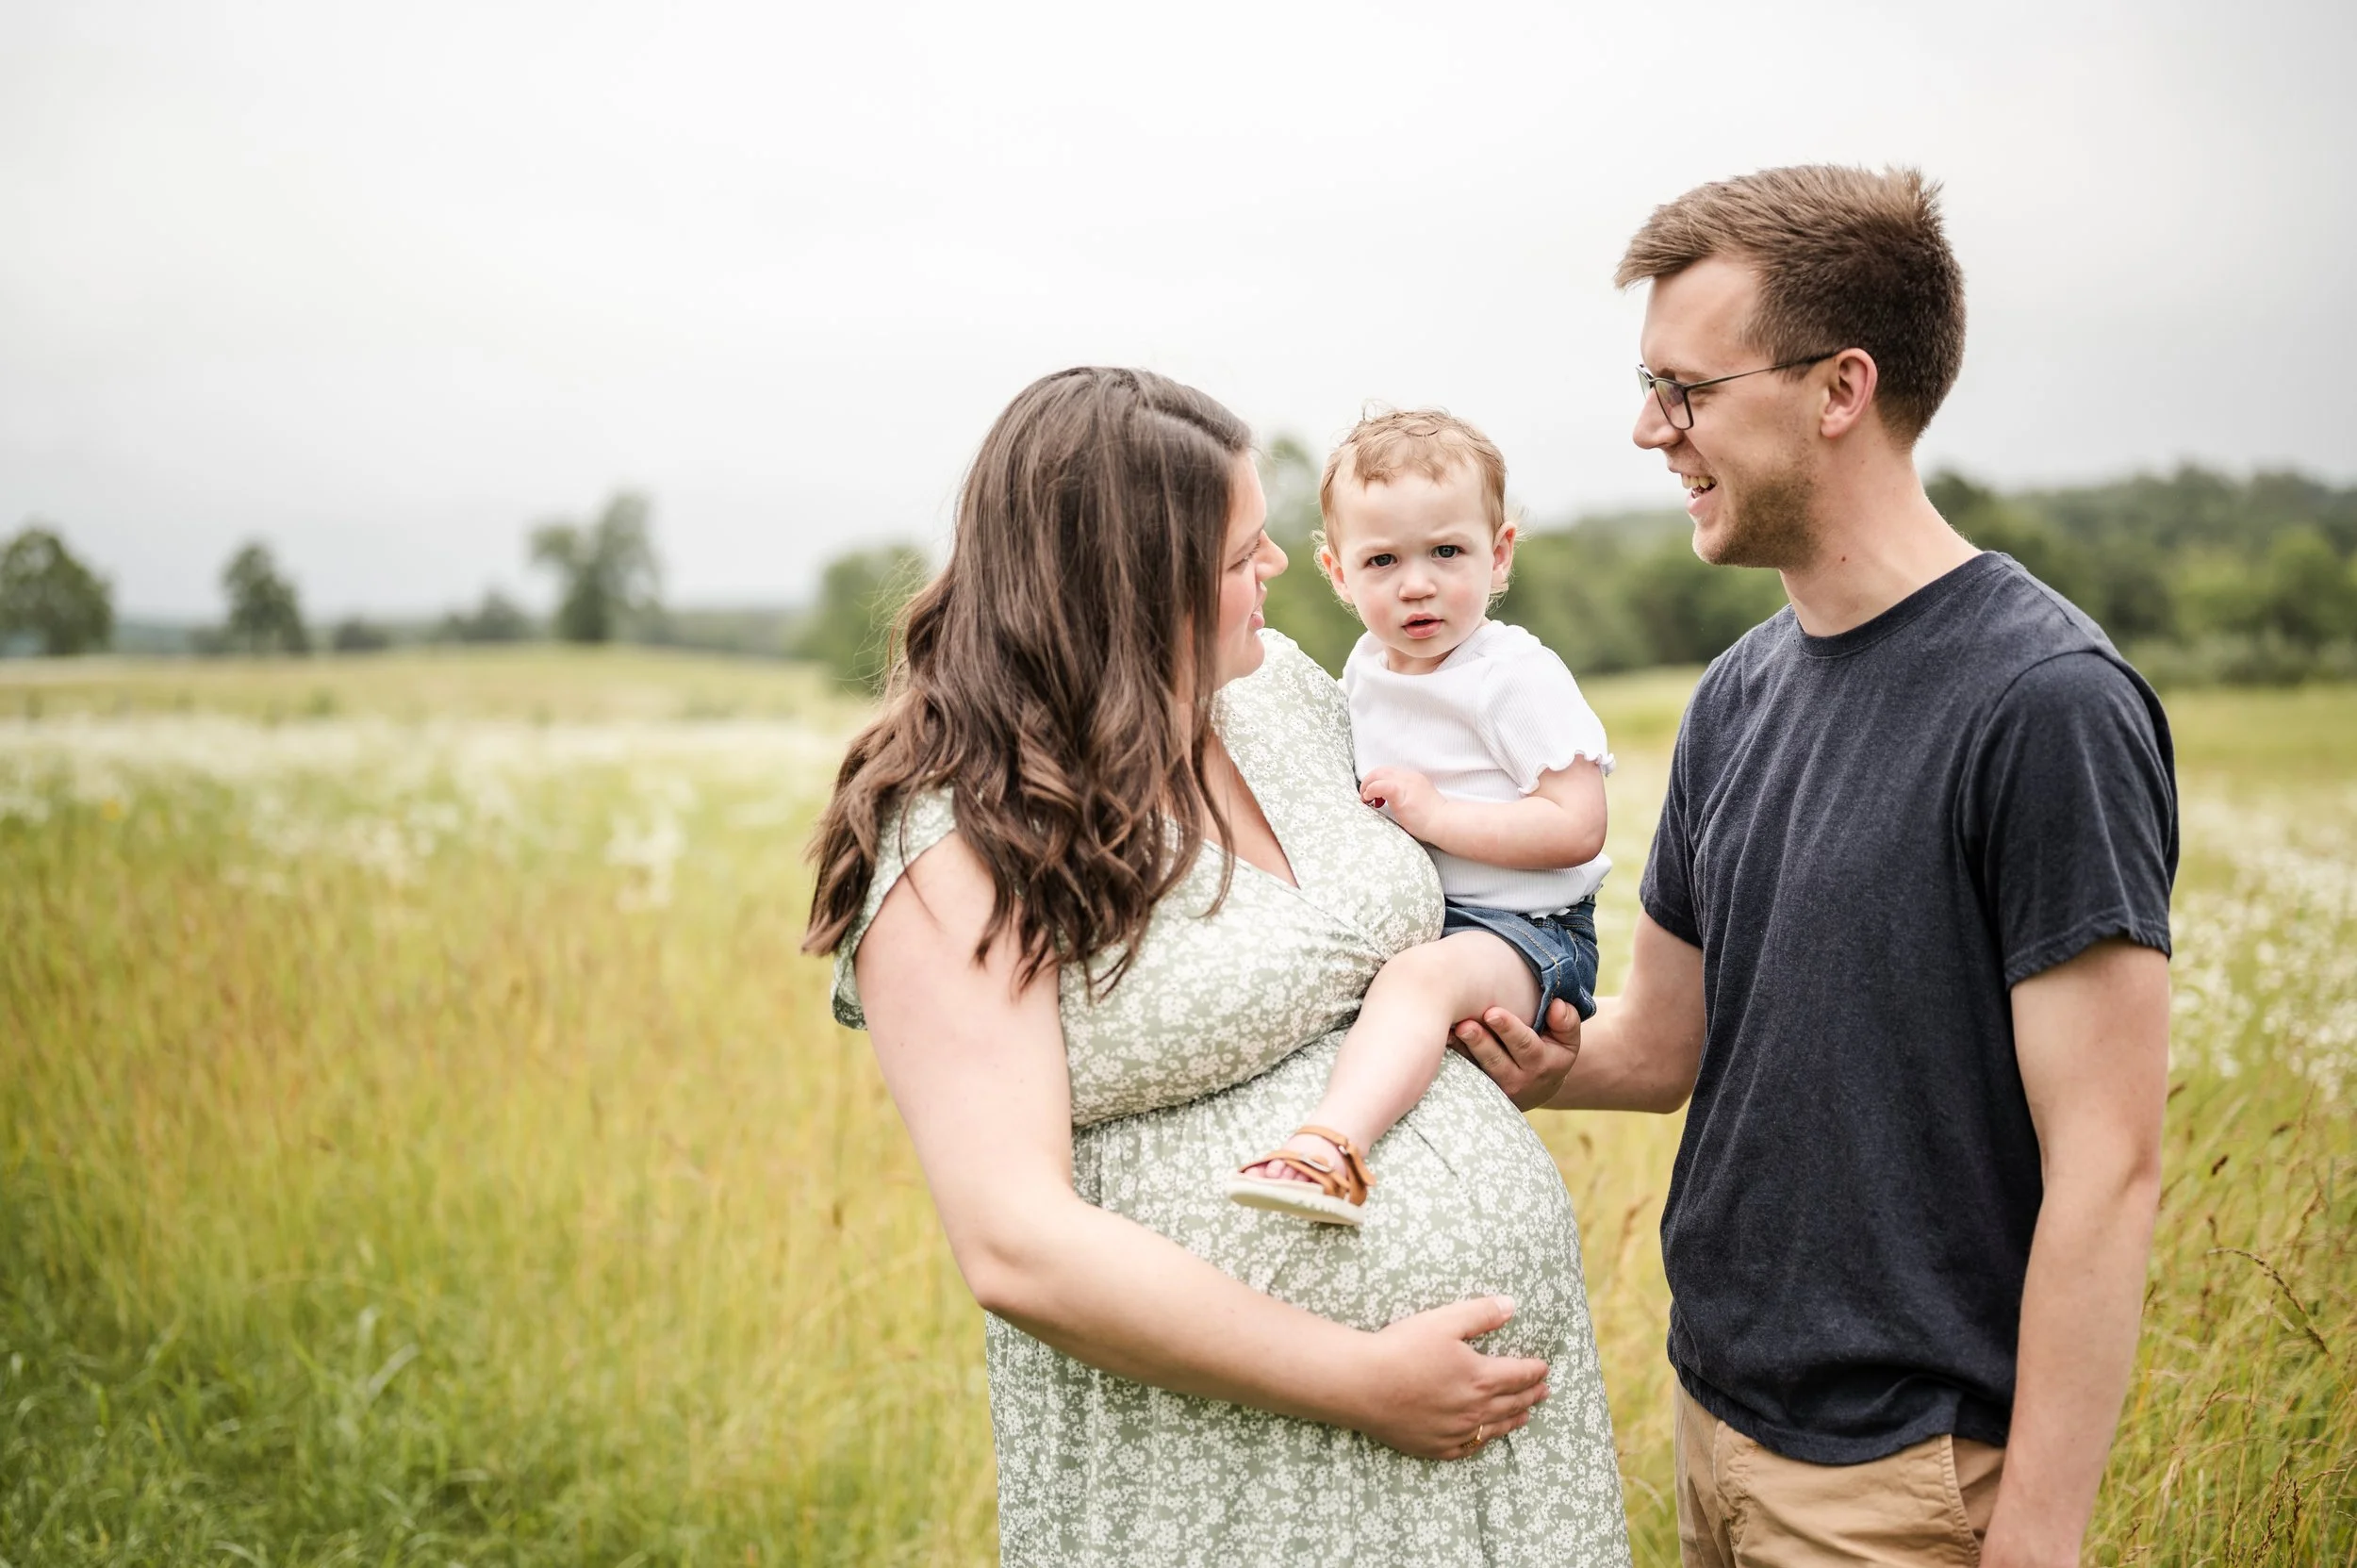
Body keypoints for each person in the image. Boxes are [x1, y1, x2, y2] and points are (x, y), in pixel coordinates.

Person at [1454, 166, 2176, 1567]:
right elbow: (1661, 1044)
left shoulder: (2048, 702)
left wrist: (2037, 1533)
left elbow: (2113, 1163)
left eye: (1687, 389)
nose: (1651, 429)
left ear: (1840, 387)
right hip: (1714, 1424)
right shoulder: (1736, 692)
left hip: (1905, 1482)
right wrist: (1471, 1026)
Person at [804, 367, 1631, 1566]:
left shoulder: (1282, 693)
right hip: (1237, 1486)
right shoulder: (957, 838)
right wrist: (1361, 1378)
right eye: (1246, 549)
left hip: (1502, 1480)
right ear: (1133, 577)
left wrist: (1510, 1037)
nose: (1284, 570)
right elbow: (1017, 1243)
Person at [1228, 409, 1610, 1226]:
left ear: (1498, 552)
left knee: (1415, 981)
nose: (1416, 584)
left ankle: (1330, 1150)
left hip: (1530, 929)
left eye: (1447, 551)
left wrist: (1436, 814)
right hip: (1449, 925)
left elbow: (1577, 826)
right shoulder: (1365, 666)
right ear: (1337, 572)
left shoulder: (1511, 675)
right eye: (1382, 560)